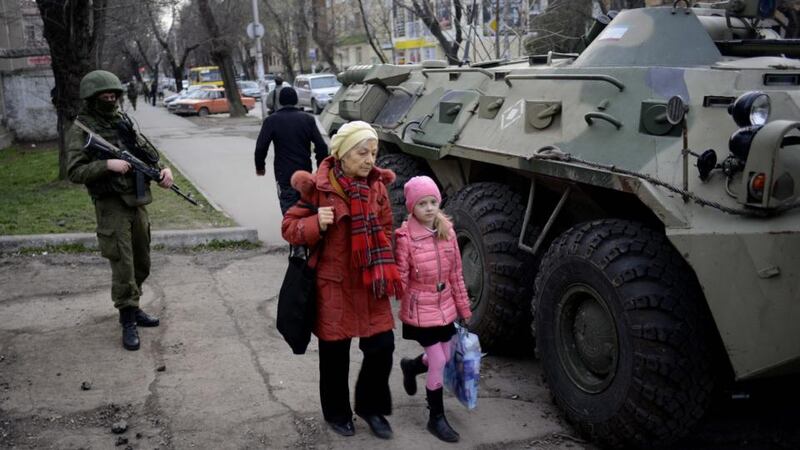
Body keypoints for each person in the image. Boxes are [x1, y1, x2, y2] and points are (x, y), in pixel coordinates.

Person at [281, 121, 402, 439]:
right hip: (333, 284)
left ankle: (371, 407)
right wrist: (314, 224)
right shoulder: (319, 188)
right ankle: (337, 414)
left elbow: (387, 225)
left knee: (383, 346)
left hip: (370, 282)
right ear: (343, 154)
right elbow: (289, 226)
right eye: (362, 152)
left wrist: (382, 257)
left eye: (374, 152)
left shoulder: (377, 186)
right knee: (335, 355)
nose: (370, 160)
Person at [65, 70, 174, 351]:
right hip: (111, 204)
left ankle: (133, 307)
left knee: (142, 261)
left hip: (136, 200)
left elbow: (144, 151)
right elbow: (74, 171)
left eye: (114, 95)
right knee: (123, 264)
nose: (111, 99)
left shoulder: (123, 121)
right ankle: (127, 318)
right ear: (92, 98)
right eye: (105, 96)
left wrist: (162, 170)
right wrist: (106, 166)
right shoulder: (82, 129)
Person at [394, 175, 472, 443]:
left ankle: (413, 367)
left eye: (433, 202)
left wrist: (464, 307)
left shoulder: (447, 233)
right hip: (420, 309)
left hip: (445, 305)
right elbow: (401, 278)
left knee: (447, 354)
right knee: (438, 360)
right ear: (411, 208)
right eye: (422, 203)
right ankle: (435, 417)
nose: (429, 208)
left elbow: (456, 275)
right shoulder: (405, 238)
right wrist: (390, 294)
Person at [254, 86, 328, 215]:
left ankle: (293, 230)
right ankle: (306, 230)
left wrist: (260, 167)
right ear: (296, 100)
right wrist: (322, 167)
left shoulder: (271, 121)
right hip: (304, 171)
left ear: (280, 101)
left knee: (288, 206)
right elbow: (321, 146)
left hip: (284, 173)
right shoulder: (307, 119)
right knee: (307, 203)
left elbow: (261, 147)